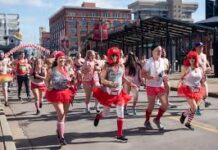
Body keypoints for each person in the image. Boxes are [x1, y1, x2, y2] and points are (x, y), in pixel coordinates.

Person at [92, 47, 137, 142]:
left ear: (118, 56)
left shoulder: (122, 66)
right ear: (109, 56)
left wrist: (130, 83)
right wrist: (110, 83)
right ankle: (98, 116)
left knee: (120, 112)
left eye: (116, 55)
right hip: (108, 93)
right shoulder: (106, 66)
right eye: (112, 55)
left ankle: (119, 135)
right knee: (106, 113)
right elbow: (102, 79)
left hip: (119, 93)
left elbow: (123, 77)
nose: (114, 57)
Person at [46, 51, 76, 145]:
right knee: (61, 113)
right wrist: (48, 86)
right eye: (60, 58)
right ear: (57, 60)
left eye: (63, 58)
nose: (62, 60)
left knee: (63, 115)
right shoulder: (52, 70)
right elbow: (47, 80)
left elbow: (73, 80)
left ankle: (59, 130)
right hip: (55, 93)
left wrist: (73, 80)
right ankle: (62, 138)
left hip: (66, 92)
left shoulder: (68, 69)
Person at [141, 45, 169, 130]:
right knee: (151, 105)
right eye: (157, 50)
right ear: (153, 52)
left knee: (165, 104)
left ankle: (157, 119)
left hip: (160, 86)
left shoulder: (163, 61)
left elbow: (163, 73)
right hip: (151, 86)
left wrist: (165, 77)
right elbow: (143, 74)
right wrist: (153, 78)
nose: (160, 52)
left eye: (160, 51)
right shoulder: (149, 62)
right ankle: (147, 121)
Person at [178, 51, 206, 130]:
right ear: (188, 59)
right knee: (194, 108)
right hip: (189, 90)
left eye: (193, 58)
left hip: (198, 90)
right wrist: (181, 83)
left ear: (196, 59)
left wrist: (203, 80)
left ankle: (188, 123)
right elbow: (182, 78)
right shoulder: (187, 69)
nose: (192, 60)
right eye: (190, 58)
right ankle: (184, 114)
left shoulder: (200, 69)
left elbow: (202, 80)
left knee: (194, 109)